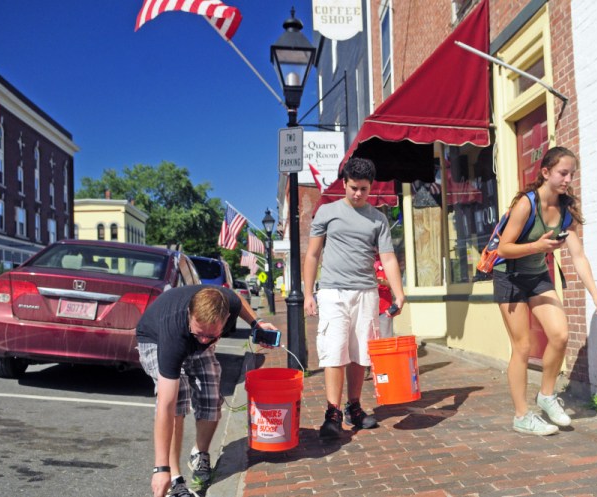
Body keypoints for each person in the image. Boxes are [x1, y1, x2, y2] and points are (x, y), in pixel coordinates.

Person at [494, 146, 597, 436]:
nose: (568, 178)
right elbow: (503, 248)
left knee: (559, 334)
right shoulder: (526, 204)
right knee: (522, 346)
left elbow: (578, 256)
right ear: (545, 172)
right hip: (509, 276)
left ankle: (546, 395)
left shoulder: (565, 210)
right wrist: (537, 246)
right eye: (563, 172)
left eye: (572, 173)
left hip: (536, 276)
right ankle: (522, 415)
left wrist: (596, 296)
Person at [136, 285, 278, 497]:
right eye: (199, 333)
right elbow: (166, 405)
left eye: (211, 335)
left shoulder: (227, 302)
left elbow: (237, 301)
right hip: (154, 340)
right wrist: (161, 468)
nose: (204, 340)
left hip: (191, 338)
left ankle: (199, 454)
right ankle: (176, 480)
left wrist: (256, 324)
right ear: (189, 315)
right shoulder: (174, 333)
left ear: (226, 317)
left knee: (212, 394)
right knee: (178, 398)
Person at [304, 157, 405, 439]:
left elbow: (388, 257)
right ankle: (332, 413)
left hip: (366, 292)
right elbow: (312, 254)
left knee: (361, 354)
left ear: (370, 186)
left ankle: (354, 407)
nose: (358, 194)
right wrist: (308, 293)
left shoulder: (378, 219)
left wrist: (399, 293)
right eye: (352, 187)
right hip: (333, 292)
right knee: (334, 351)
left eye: (363, 188)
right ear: (344, 184)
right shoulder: (327, 212)